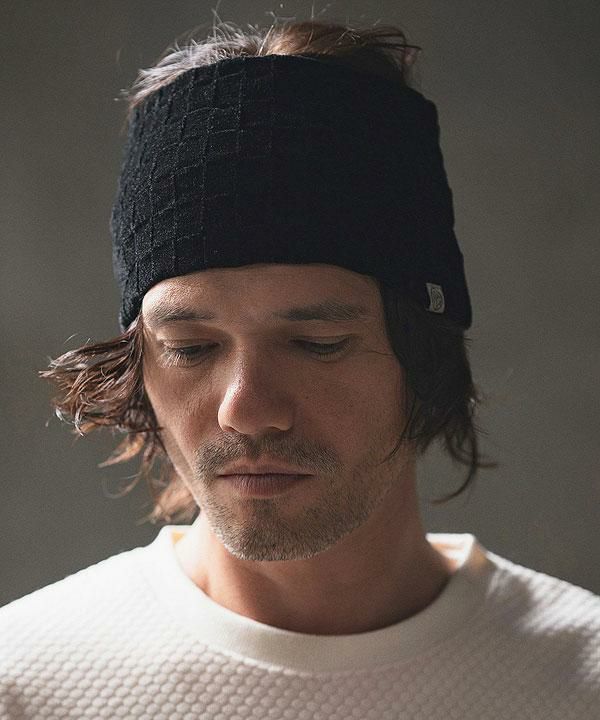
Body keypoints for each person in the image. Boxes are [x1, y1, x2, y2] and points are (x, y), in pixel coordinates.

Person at [1, 18, 598, 720]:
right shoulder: (25, 682)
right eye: (190, 348)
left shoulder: (580, 682)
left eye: (318, 343)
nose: (246, 408)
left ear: (425, 356)